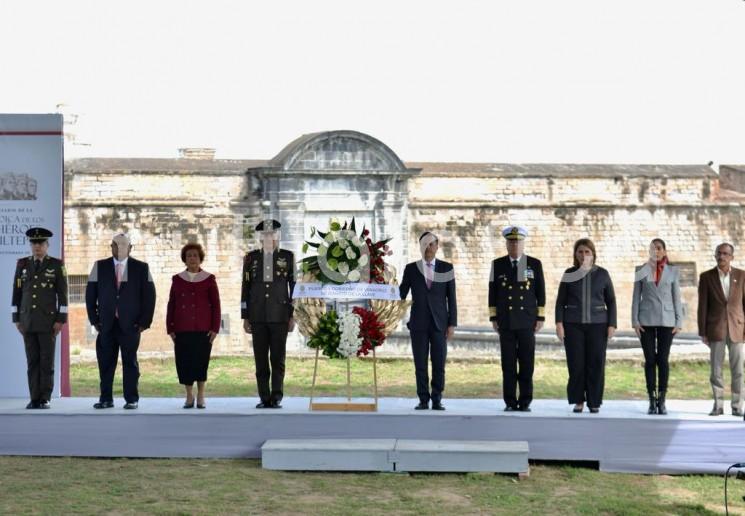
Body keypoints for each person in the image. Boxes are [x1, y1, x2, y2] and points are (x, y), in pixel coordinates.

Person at [85, 233, 156, 410]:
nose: (120, 248)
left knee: (130, 362)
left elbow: (150, 296)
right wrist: (94, 320)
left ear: (130, 248)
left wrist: (143, 322)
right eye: (116, 245)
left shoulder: (141, 268)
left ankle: (131, 399)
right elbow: (90, 295)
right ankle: (106, 398)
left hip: (131, 326)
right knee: (106, 363)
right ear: (111, 247)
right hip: (106, 325)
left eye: (125, 245)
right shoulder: (98, 267)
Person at [555, 238, 617, 413]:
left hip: (598, 325)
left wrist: (612, 324)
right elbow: (560, 302)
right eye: (580, 252)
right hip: (573, 325)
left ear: (593, 254)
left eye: (587, 252)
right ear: (576, 254)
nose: (583, 255)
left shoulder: (602, 274)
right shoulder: (569, 273)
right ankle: (578, 400)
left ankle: (594, 401)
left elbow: (611, 300)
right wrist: (559, 324)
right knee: (576, 364)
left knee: (596, 363)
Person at [488, 226, 546, 412]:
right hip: (506, 321)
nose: (515, 245)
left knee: (527, 363)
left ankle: (525, 400)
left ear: (523, 243)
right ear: (506, 243)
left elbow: (540, 292)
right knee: (508, 364)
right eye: (511, 241)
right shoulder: (498, 265)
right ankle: (510, 401)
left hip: (527, 321)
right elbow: (492, 292)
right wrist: (493, 317)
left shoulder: (532, 264)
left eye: (518, 241)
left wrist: (540, 316)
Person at [399, 231, 457, 411]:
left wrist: (452, 324)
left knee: (439, 363)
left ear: (437, 246)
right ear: (420, 246)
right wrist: (383, 287)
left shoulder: (446, 269)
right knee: (420, 363)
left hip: (440, 324)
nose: (428, 248)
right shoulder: (411, 269)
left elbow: (451, 298)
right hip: (418, 324)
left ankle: (437, 398)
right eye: (425, 244)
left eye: (432, 244)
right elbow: (401, 294)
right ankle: (423, 399)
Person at [11, 227, 68, 409]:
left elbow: (63, 296)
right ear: (31, 245)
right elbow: (16, 293)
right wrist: (16, 318)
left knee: (46, 360)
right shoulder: (22, 265)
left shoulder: (56, 265)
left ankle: (45, 397)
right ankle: (34, 397)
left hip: (48, 322)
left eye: (41, 243)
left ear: (47, 245)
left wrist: (61, 320)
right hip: (27, 321)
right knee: (32, 361)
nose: (37, 247)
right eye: (34, 243)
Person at [242, 219, 295, 409]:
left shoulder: (288, 257)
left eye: (271, 234)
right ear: (260, 237)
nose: (268, 237)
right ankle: (264, 397)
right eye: (264, 234)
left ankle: (277, 396)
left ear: (277, 236)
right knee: (261, 359)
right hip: (257, 315)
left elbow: (293, 288)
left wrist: (292, 315)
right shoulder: (250, 258)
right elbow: (245, 288)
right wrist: (245, 316)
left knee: (278, 359)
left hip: (280, 314)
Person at [631, 238, 684, 415]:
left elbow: (677, 297)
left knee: (663, 359)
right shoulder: (641, 270)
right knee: (650, 360)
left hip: (667, 320)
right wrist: (634, 321)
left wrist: (679, 321)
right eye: (653, 248)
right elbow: (635, 297)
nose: (656, 251)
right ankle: (651, 399)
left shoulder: (672, 271)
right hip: (645, 320)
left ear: (664, 251)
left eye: (659, 248)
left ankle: (662, 399)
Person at [166, 243, 221, 409]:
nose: (192, 258)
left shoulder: (209, 279)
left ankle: (201, 396)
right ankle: (189, 395)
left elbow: (216, 305)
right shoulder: (177, 279)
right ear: (185, 259)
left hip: (203, 329)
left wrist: (215, 328)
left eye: (195, 255)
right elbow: (171, 305)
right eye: (189, 255)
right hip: (182, 329)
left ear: (200, 258)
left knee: (201, 362)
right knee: (184, 363)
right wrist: (170, 328)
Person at [697, 242, 745, 417]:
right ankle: (717, 405)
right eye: (719, 253)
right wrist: (702, 331)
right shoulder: (706, 277)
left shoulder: (741, 276)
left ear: (732, 257)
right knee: (716, 370)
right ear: (715, 255)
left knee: (738, 369)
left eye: (725, 253)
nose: (721, 256)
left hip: (737, 329)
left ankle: (737, 406)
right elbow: (702, 306)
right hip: (715, 328)